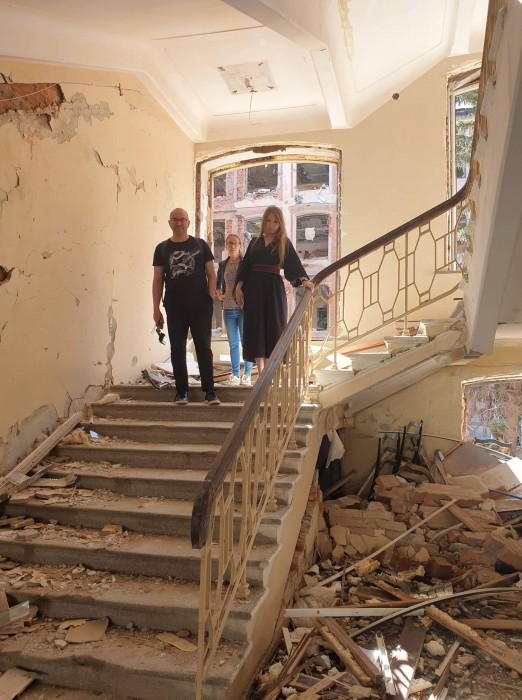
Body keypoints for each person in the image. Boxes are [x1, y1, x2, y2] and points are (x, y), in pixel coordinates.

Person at [152, 208, 220, 405]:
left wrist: (209, 298)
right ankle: (182, 392)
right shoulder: (162, 248)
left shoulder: (200, 245)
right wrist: (156, 309)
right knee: (177, 348)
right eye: (175, 219)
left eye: (182, 219)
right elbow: (157, 280)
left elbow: (211, 274)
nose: (179, 223)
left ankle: (210, 391)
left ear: (188, 223)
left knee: (203, 347)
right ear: (169, 223)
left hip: (200, 306)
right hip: (174, 307)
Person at [235, 206, 314, 374]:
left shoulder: (284, 243)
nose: (271, 224)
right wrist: (239, 286)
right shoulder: (254, 242)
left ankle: (270, 373)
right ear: (264, 221)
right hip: (253, 289)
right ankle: (261, 374)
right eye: (268, 220)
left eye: (275, 221)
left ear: (280, 224)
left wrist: (304, 280)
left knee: (274, 327)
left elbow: (294, 265)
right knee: (256, 327)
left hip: (274, 290)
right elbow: (245, 266)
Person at [216, 234, 253, 386]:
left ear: (240, 246)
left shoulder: (246, 264)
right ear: (226, 245)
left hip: (244, 308)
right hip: (228, 309)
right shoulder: (222, 265)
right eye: (229, 243)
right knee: (233, 344)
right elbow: (218, 284)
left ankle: (248, 375)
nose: (232, 246)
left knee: (247, 342)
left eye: (235, 243)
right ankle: (235, 375)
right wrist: (219, 294)